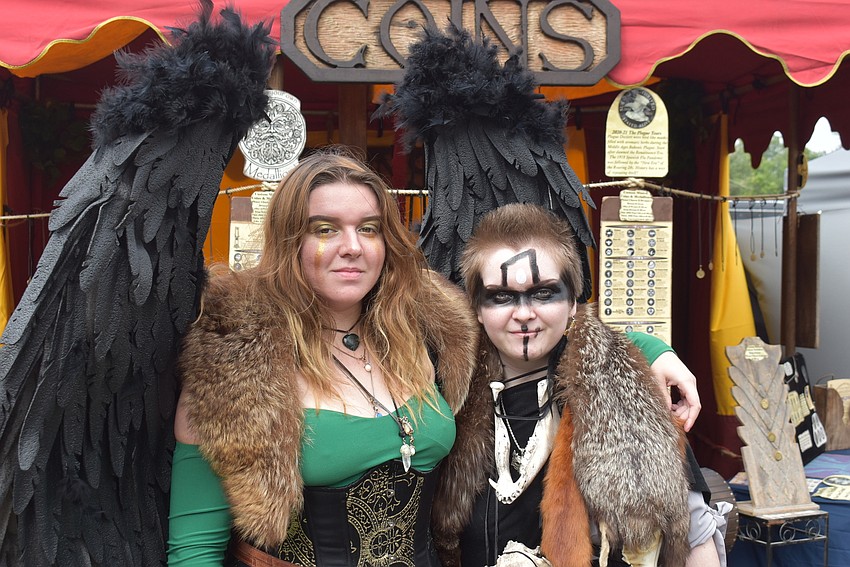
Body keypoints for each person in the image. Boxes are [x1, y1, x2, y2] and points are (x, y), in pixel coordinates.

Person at [167, 148, 480, 566]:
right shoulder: (234, 360)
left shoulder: (426, 333)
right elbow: (195, 549)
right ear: (290, 239)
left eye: (369, 229)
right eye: (326, 229)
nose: (352, 247)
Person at [431, 203, 726, 567]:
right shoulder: (445, 396)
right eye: (502, 296)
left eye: (543, 293)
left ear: (572, 301)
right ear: (476, 307)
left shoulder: (631, 394)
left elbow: (695, 539)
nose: (523, 314)